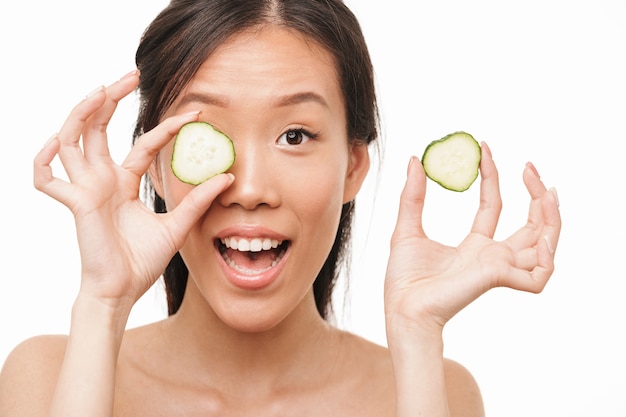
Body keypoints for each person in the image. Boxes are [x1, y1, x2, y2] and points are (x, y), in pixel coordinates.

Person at [0, 0, 561, 416]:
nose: (250, 188)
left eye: (295, 135)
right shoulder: (46, 377)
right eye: (207, 134)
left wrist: (415, 340)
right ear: (153, 163)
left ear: (353, 166)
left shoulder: (436, 390)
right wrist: (103, 304)